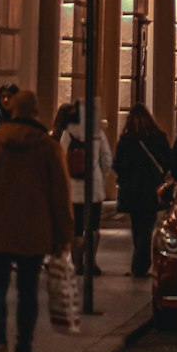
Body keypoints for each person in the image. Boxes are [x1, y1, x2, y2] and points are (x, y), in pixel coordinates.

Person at [0, 90, 73, 352]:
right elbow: (60, 195)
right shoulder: (48, 147)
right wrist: (64, 234)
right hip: (34, 230)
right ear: (36, 112)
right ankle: (24, 346)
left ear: (13, 110)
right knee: (28, 290)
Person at [112, 104, 171, 278]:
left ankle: (139, 262)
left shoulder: (126, 140)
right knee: (146, 226)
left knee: (137, 226)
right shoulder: (159, 138)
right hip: (151, 191)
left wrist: (125, 176)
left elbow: (117, 164)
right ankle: (141, 263)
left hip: (131, 190)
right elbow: (168, 160)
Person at [58, 100, 113, 276]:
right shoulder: (97, 135)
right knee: (93, 226)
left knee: (77, 228)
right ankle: (91, 261)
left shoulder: (67, 133)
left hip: (73, 190)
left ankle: (76, 263)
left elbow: (61, 158)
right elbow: (107, 159)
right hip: (93, 189)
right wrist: (99, 176)